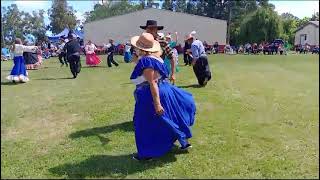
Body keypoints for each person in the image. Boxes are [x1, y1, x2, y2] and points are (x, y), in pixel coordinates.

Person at [130, 32, 196, 161]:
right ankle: (183, 141)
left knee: (144, 124)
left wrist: (157, 103)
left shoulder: (146, 61)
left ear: (141, 48)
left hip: (152, 94)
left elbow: (152, 82)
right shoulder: (156, 57)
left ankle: (147, 153)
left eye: (137, 47)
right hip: (164, 89)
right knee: (172, 116)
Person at [133, 20, 176, 84]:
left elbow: (172, 57)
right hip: (144, 75)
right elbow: (134, 57)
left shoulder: (162, 42)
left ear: (156, 30)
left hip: (160, 74)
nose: (150, 31)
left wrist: (173, 73)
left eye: (153, 29)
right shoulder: (141, 42)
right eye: (149, 29)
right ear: (146, 30)